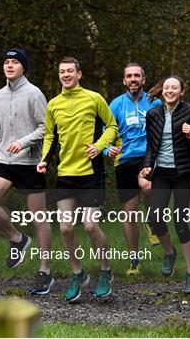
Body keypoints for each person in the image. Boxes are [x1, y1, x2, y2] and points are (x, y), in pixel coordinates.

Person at [37, 56, 118, 302]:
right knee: (65, 228)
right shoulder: (53, 104)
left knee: (91, 226)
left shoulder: (94, 98)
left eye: (70, 71)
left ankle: (105, 271)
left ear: (79, 74)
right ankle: (78, 273)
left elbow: (112, 126)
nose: (66, 75)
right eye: (62, 72)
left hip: (91, 174)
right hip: (65, 175)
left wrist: (99, 145)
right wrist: (44, 160)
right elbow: (50, 136)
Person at [0, 48, 53, 295]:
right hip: (5, 160)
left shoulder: (34, 94)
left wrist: (23, 142)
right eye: (6, 62)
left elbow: (46, 128)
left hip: (30, 162)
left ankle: (45, 271)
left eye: (15, 62)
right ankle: (17, 238)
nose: (9, 66)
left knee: (38, 217)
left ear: (23, 67)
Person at [139, 76, 190, 295]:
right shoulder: (153, 114)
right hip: (161, 174)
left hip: (183, 173)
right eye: (166, 88)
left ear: (181, 91)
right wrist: (148, 165)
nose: (169, 91)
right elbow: (151, 145)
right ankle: (169, 253)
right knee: (155, 218)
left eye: (174, 88)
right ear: (162, 92)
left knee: (181, 222)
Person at [105, 63, 161, 275]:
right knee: (129, 213)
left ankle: (150, 220)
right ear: (124, 80)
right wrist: (107, 149)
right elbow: (106, 130)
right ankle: (134, 261)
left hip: (148, 157)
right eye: (129, 76)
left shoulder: (154, 102)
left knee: (147, 188)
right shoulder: (117, 104)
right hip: (124, 160)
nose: (133, 79)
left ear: (143, 80)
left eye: (137, 75)